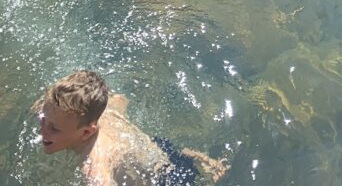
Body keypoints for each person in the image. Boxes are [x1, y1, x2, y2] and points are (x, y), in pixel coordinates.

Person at [37, 70, 228, 185]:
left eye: (54, 128)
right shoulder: (104, 110)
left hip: (166, 179)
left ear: (87, 132)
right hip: (156, 147)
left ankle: (193, 159)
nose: (42, 130)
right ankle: (188, 155)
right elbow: (120, 99)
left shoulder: (94, 162)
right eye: (43, 118)